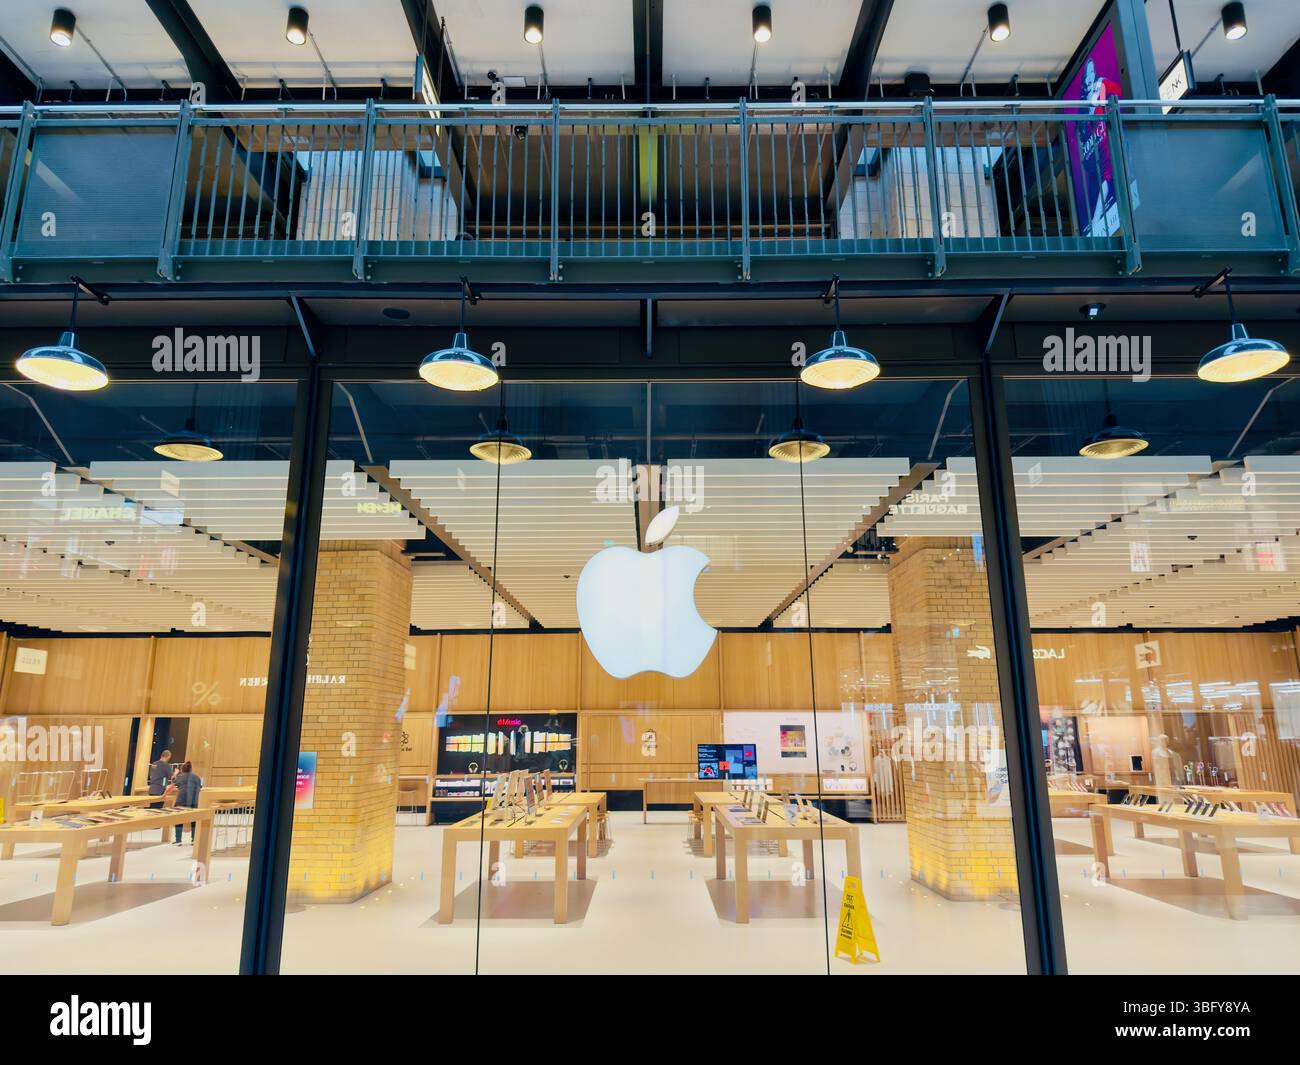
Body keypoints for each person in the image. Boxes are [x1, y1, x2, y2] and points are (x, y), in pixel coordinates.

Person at [171, 761, 202, 845]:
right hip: (194, 801)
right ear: (191, 769)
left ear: (182, 770)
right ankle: (193, 839)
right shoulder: (197, 777)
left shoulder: (180, 777)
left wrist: (175, 773)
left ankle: (178, 840)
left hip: (182, 800)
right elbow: (200, 787)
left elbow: (173, 782)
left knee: (178, 819)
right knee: (194, 820)